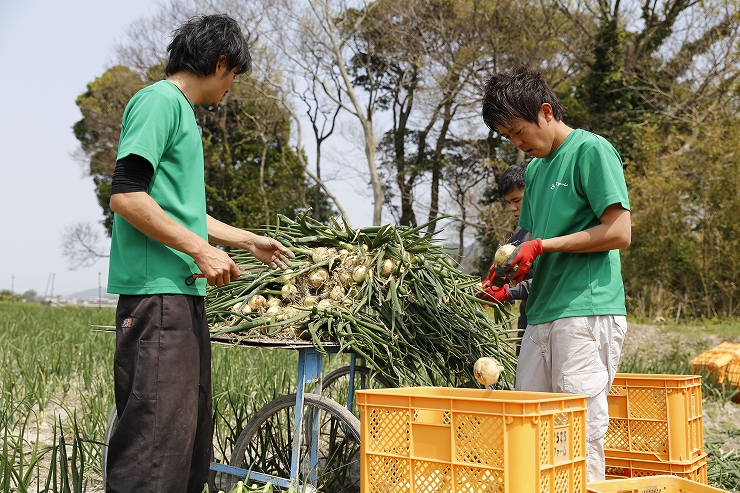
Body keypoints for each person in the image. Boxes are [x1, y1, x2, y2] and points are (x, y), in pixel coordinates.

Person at [105, 14, 294, 493]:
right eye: (233, 76)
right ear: (221, 63)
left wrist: (245, 240)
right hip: (157, 301)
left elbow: (181, 213)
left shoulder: (182, 114)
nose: (231, 86)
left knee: (186, 451)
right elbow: (127, 197)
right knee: (153, 453)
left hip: (180, 300)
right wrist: (200, 251)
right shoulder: (158, 102)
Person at [481, 66, 631, 482]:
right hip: (541, 314)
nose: (516, 143)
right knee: (531, 430)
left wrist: (543, 246)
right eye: (507, 136)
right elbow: (526, 239)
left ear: (545, 112)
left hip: (585, 311)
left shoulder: (591, 151)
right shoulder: (534, 170)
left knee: (579, 434)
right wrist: (501, 273)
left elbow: (619, 231)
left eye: (518, 131)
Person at [479, 164, 533, 356]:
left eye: (517, 200)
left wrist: (509, 293)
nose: (512, 208)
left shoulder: (552, 230)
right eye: (508, 202)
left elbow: (552, 279)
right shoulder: (520, 232)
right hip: (529, 320)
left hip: (557, 318)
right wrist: (492, 283)